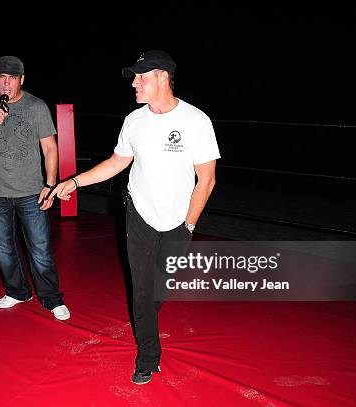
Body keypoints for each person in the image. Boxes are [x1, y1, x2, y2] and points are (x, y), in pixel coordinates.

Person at [49, 50, 220, 384]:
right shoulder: (134, 121)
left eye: (141, 77)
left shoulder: (196, 121)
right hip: (139, 214)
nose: (134, 83)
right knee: (142, 290)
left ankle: (144, 321)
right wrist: (73, 181)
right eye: (134, 77)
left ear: (161, 77)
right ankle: (148, 356)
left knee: (158, 288)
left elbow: (207, 179)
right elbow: (116, 163)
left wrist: (189, 225)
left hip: (178, 221)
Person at [0, 55, 70, 321]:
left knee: (41, 248)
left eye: (12, 78)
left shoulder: (36, 106)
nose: (6, 84)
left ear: (22, 79)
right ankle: (18, 290)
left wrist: (50, 182)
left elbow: (49, 147)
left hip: (31, 191)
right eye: (2, 78)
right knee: (2, 247)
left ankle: (51, 297)